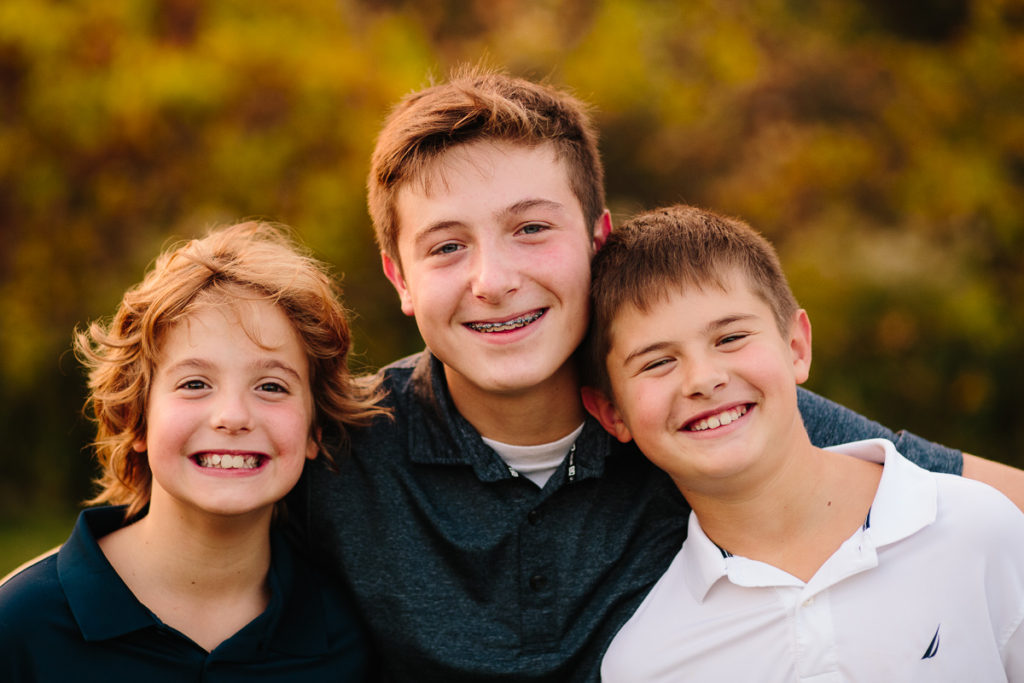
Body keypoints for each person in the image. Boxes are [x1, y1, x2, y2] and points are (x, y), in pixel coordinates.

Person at [296, 67, 1024, 681]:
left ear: (596, 238)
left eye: (531, 229)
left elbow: (973, 502)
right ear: (399, 278)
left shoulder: (692, 408)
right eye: (447, 246)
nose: (493, 280)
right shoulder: (344, 446)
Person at [582, 204, 1024, 681]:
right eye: (656, 363)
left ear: (796, 347)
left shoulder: (981, 531)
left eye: (730, 337)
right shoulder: (646, 661)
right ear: (611, 413)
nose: (703, 379)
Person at [0, 222, 385, 681]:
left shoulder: (348, 638)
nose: (233, 416)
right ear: (137, 418)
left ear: (313, 431)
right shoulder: (20, 626)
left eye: (271, 385)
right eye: (195, 383)